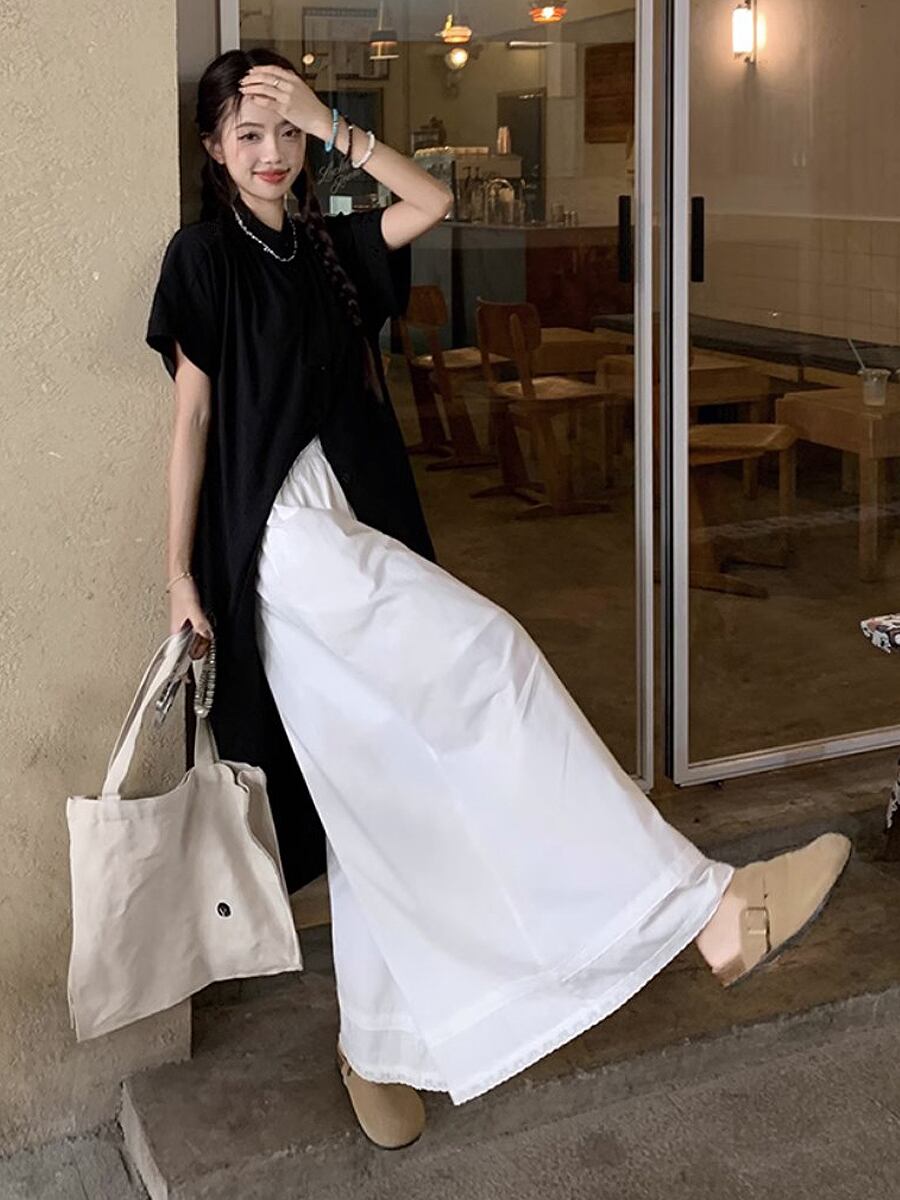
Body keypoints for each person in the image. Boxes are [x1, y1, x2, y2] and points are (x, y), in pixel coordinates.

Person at [146, 47, 852, 1151]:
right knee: (492, 656)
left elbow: (429, 201)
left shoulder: (325, 245)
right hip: (282, 542)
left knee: (376, 792)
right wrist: (181, 575)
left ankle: (377, 1043)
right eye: (249, 133)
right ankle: (710, 911)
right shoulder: (202, 258)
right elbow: (191, 420)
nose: (271, 152)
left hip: (348, 518)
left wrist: (336, 126)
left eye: (285, 130)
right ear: (211, 148)